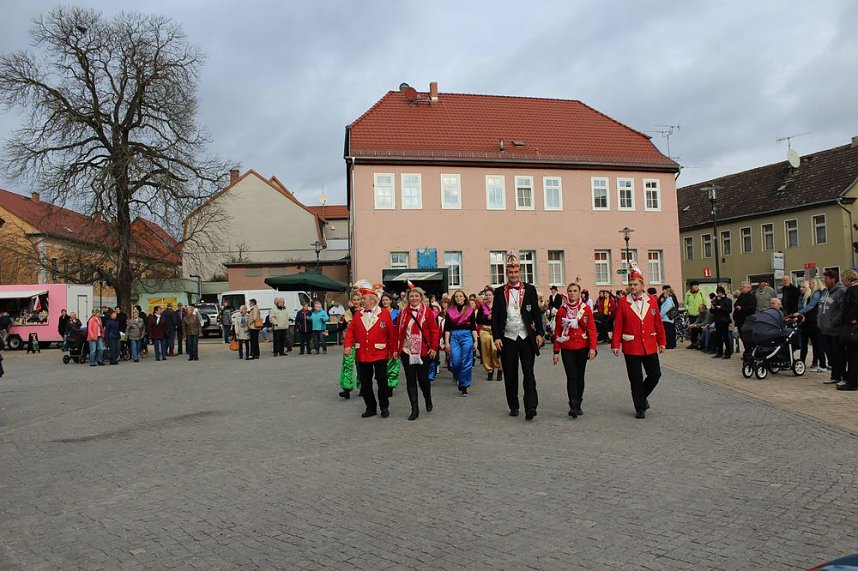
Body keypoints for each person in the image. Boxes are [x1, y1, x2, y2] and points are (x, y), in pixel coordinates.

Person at [491, 253, 545, 421]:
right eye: (510, 273)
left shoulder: (529, 289)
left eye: (516, 272)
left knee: (529, 372)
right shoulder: (500, 292)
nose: (513, 275)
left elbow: (536, 313)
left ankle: (531, 406)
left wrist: (540, 334)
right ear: (507, 274)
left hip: (525, 337)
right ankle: (513, 405)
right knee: (510, 373)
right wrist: (497, 337)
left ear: (520, 273)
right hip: (508, 338)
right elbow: (495, 316)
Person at [611, 263, 666, 419]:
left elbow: (658, 323)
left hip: (649, 344)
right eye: (630, 284)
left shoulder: (652, 301)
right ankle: (639, 407)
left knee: (655, 374)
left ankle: (641, 397)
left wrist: (662, 342)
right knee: (635, 379)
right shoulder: (623, 302)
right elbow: (618, 325)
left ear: (642, 285)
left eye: (635, 284)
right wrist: (615, 344)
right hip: (631, 345)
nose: (632, 287)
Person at [343, 280, 396, 418]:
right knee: (365, 383)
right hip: (363, 354)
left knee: (382, 380)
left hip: (380, 353)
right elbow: (350, 332)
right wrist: (348, 345)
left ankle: (384, 407)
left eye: (363, 298)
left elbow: (391, 334)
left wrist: (393, 350)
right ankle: (370, 407)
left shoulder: (384, 313)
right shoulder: (357, 314)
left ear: (372, 299)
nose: (361, 301)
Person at [553, 282, 597, 418]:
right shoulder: (562, 310)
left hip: (582, 347)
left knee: (580, 376)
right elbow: (558, 331)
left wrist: (592, 348)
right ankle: (573, 404)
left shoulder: (585, 309)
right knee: (571, 376)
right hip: (567, 347)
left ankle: (579, 401)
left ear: (579, 293)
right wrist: (556, 351)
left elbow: (591, 329)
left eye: (575, 291)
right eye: (570, 291)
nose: (572, 293)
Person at [396, 286, 440, 420]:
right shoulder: (403, 312)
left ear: (421, 298)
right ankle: (414, 409)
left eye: (416, 296)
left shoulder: (427, 312)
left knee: (423, 380)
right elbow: (397, 331)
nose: (414, 298)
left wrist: (433, 347)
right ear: (408, 298)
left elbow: (434, 331)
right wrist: (395, 349)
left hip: (423, 351)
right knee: (410, 380)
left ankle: (427, 397)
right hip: (406, 350)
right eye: (411, 296)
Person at [817, 269, 848, 386]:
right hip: (824, 329)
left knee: (838, 354)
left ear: (833, 279)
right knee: (830, 354)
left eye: (827, 279)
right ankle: (834, 376)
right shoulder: (825, 291)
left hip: (835, 330)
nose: (825, 281)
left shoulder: (840, 292)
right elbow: (821, 308)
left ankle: (842, 375)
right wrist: (819, 321)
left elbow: (841, 310)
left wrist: (834, 321)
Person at [445, 289, 478, 397]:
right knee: (455, 360)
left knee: (466, 361)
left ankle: (464, 386)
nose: (458, 298)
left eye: (460, 296)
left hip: (467, 335)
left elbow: (473, 327)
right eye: (456, 296)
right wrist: (447, 342)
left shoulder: (470, 310)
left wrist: (476, 341)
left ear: (464, 298)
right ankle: (458, 375)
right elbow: (447, 328)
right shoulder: (449, 311)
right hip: (454, 336)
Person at [792, 278, 826, 373]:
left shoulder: (815, 294)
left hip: (813, 323)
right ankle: (803, 362)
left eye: (809, 285)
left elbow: (810, 306)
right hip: (805, 323)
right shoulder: (803, 297)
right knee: (805, 344)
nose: (801, 289)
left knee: (817, 344)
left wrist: (798, 313)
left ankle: (821, 363)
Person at [338, 292, 363, 399]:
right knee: (347, 365)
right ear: (351, 301)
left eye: (358, 300)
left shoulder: (364, 311)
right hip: (350, 343)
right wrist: (330, 332)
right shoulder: (348, 312)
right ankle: (346, 389)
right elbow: (346, 326)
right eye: (354, 300)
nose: (356, 302)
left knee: (361, 366)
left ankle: (363, 387)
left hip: (361, 343)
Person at [836, 269, 858, 391]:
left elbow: (854, 306)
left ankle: (852, 382)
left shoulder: (853, 291)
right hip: (852, 325)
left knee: (852, 355)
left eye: (843, 279)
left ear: (849, 280)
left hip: (851, 327)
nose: (842, 281)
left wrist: (851, 318)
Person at [476, 287, 502, 381]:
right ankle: (489, 371)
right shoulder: (482, 307)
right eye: (486, 295)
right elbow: (478, 320)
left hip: (496, 331)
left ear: (493, 296)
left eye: (490, 295)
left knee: (496, 350)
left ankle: (499, 369)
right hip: (485, 330)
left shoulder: (498, 306)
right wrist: (487, 318)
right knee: (486, 351)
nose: (488, 297)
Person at [733, 281, 757, 352]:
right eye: (741, 286)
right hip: (739, 320)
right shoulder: (741, 296)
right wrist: (737, 307)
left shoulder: (752, 297)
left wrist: (742, 308)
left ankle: (750, 352)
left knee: (747, 338)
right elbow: (735, 304)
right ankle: (747, 352)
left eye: (743, 287)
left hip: (747, 320)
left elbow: (752, 308)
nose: (741, 288)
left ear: (749, 288)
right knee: (742, 338)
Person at [710, 286, 733, 359]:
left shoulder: (728, 300)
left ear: (723, 293)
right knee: (718, 337)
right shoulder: (716, 300)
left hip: (724, 320)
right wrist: (712, 308)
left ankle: (728, 352)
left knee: (725, 337)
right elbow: (712, 311)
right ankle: (719, 352)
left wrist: (721, 308)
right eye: (717, 293)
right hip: (717, 320)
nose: (718, 294)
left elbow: (729, 310)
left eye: (720, 293)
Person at [684, 282, 706, 348]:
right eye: (694, 285)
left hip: (699, 314)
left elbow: (705, 302)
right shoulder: (688, 294)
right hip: (691, 314)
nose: (696, 287)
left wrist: (704, 310)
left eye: (697, 285)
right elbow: (685, 303)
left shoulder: (701, 293)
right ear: (691, 286)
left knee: (700, 329)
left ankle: (701, 343)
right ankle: (693, 343)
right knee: (693, 330)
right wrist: (688, 309)